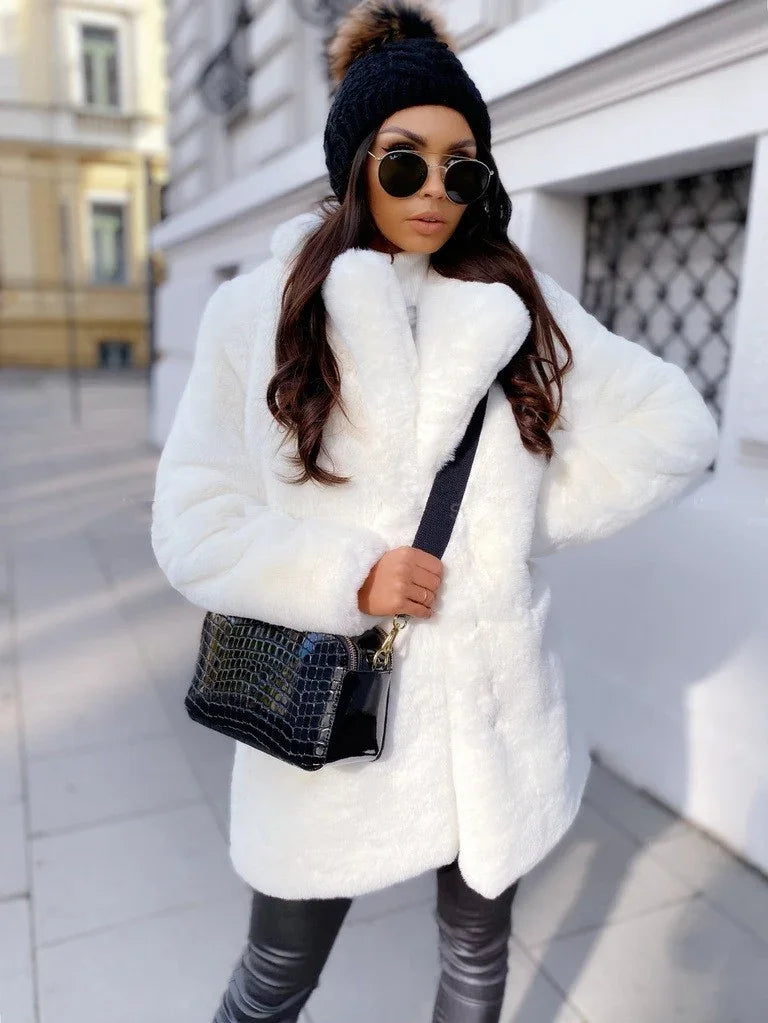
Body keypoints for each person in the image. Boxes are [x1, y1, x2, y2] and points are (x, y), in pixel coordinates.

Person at [149, 2, 720, 1020]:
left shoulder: (513, 298)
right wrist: (350, 577)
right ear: (355, 165)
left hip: (489, 714)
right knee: (274, 978)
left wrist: (512, 523)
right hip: (326, 703)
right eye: (406, 162)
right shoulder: (259, 312)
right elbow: (193, 520)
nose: (434, 193)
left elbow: (673, 427)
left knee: (475, 962)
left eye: (462, 170)